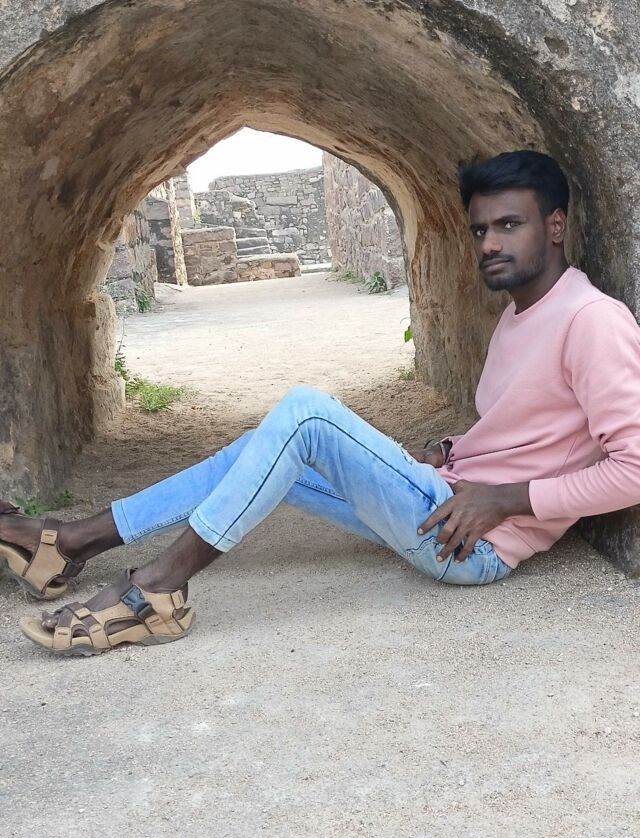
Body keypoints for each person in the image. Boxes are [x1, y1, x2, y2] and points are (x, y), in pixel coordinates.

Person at [2, 150, 640, 656]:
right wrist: (448, 452)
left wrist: (509, 498)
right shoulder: (521, 313)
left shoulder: (592, 321)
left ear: (555, 226)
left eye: (509, 225)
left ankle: (156, 588)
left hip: (474, 546)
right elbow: (525, 430)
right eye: (480, 230)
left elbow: (634, 467)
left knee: (304, 414)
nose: (490, 244)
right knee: (260, 449)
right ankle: (73, 541)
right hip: (444, 499)